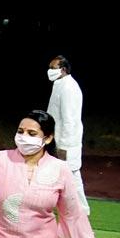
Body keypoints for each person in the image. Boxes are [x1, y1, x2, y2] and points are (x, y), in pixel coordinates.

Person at [46, 55, 89, 214]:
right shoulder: (59, 84)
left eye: (53, 67)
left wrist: (63, 144)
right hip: (56, 139)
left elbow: (69, 118)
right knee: (60, 174)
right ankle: (67, 206)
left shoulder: (69, 87)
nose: (50, 71)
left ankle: (81, 209)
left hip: (66, 142)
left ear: (63, 69)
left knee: (71, 175)